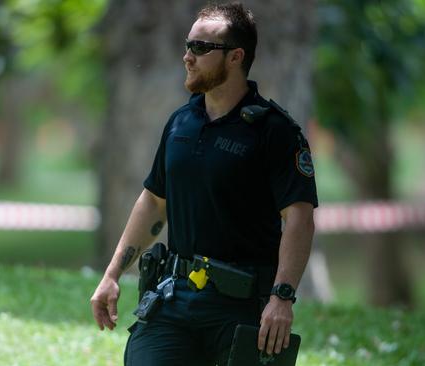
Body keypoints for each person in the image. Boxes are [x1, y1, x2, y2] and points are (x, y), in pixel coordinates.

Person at [90, 2, 318, 365]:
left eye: (200, 48)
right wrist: (113, 274)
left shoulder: (275, 131)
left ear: (235, 57)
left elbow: (299, 218)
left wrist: (282, 298)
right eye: (187, 45)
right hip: (174, 300)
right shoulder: (181, 122)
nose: (187, 57)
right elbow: (153, 202)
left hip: (242, 310)